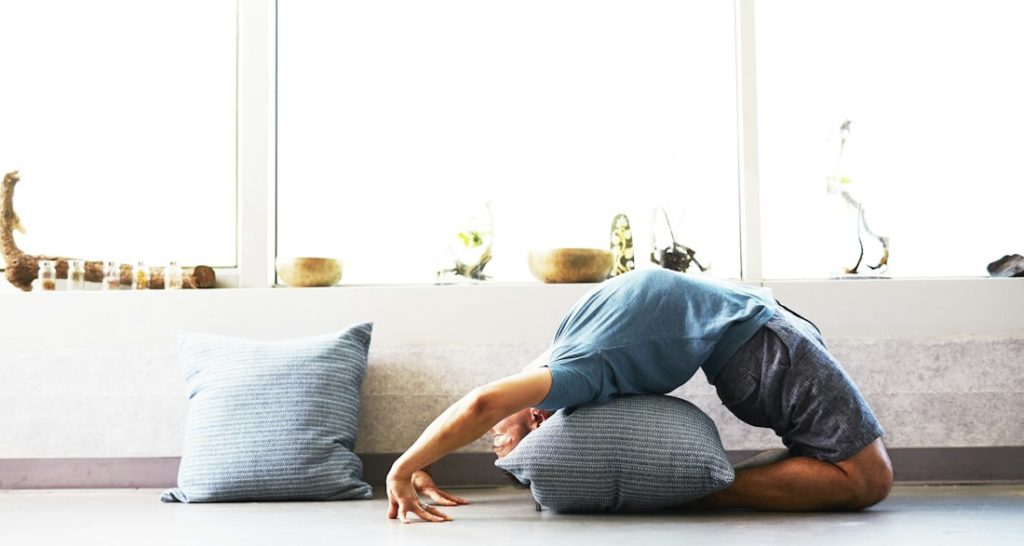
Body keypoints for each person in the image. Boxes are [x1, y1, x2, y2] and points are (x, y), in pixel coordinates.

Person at [386, 269, 893, 523]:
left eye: (500, 442)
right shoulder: (567, 347)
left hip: (764, 343)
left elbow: (481, 404)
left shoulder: (573, 367)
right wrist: (426, 458)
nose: (495, 442)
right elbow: (485, 406)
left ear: (538, 418)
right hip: (761, 340)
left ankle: (705, 491)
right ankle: (707, 490)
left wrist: (403, 466)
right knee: (863, 476)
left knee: (865, 479)